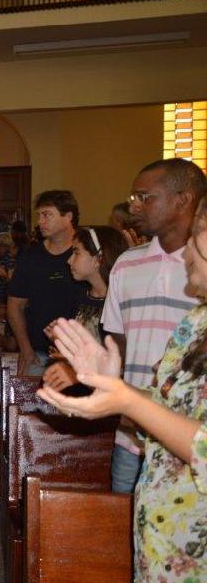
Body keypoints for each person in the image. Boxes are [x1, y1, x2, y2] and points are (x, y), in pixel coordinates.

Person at [36, 198, 207, 583]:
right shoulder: (196, 321)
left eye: (197, 243)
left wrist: (128, 400)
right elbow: (173, 412)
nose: (185, 253)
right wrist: (110, 383)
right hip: (166, 555)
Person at [100, 158, 207, 493]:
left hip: (188, 434)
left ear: (182, 200)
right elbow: (116, 342)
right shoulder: (126, 264)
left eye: (145, 197)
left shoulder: (200, 273)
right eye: (133, 197)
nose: (134, 206)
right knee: (130, 517)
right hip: (131, 431)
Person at [6, 190, 84, 375]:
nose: (40, 221)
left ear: (68, 217)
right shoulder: (31, 257)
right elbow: (15, 306)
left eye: (47, 215)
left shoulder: (86, 254)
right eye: (39, 215)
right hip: (39, 353)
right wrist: (25, 348)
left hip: (82, 355)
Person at [41, 225, 128, 391]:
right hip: (78, 389)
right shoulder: (77, 298)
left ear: (98, 258)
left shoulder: (120, 303)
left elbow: (119, 359)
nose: (69, 260)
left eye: (76, 252)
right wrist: (60, 341)